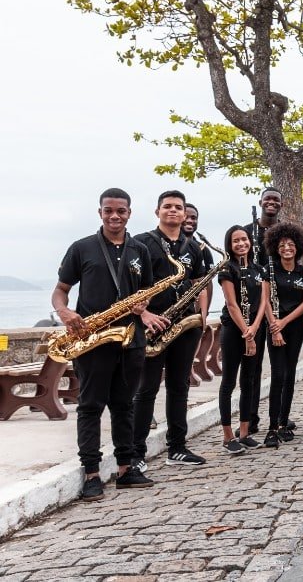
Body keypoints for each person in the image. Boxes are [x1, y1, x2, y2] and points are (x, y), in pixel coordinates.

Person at [53, 188, 155, 501]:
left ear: (129, 213)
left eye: (120, 211)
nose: (114, 216)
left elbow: (148, 290)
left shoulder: (140, 250)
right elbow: (60, 290)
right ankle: (92, 474)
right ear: (100, 212)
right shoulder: (81, 248)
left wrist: (143, 304)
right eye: (108, 210)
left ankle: (126, 469)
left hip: (130, 338)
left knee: (125, 406)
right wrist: (65, 312)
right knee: (91, 406)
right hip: (92, 339)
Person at [132, 190, 208, 470]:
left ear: (185, 213)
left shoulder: (192, 247)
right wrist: (146, 315)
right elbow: (131, 288)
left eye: (178, 207)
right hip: (153, 325)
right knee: (146, 389)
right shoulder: (141, 243)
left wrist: (199, 315)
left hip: (184, 325)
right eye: (168, 207)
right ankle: (136, 452)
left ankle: (177, 447)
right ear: (157, 212)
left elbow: (200, 282)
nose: (173, 211)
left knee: (179, 387)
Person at [217, 225, 269, 454]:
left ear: (250, 242)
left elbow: (263, 302)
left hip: (254, 328)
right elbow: (231, 304)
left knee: (249, 381)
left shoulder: (260, 270)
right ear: (230, 244)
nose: (241, 244)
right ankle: (228, 436)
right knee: (228, 382)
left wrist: (255, 328)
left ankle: (245, 432)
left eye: (244, 239)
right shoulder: (227, 269)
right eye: (236, 240)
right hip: (234, 330)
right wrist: (246, 332)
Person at [262, 222, 303, 448]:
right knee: (278, 375)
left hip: (294, 327)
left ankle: (284, 422)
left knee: (290, 374)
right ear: (275, 247)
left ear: (298, 247)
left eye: (291, 244)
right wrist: (275, 326)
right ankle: (272, 427)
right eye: (282, 245)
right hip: (274, 328)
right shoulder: (269, 269)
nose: (286, 248)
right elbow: (265, 301)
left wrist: (285, 322)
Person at [183, 203, 214, 311]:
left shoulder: (203, 249)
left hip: (191, 311)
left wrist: (202, 314)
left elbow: (208, 283)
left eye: (194, 218)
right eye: (186, 216)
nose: (190, 221)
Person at [244, 187, 282, 268]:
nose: (271, 202)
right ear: (260, 203)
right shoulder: (246, 231)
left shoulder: (288, 232)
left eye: (276, 200)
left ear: (281, 205)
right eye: (267, 199)